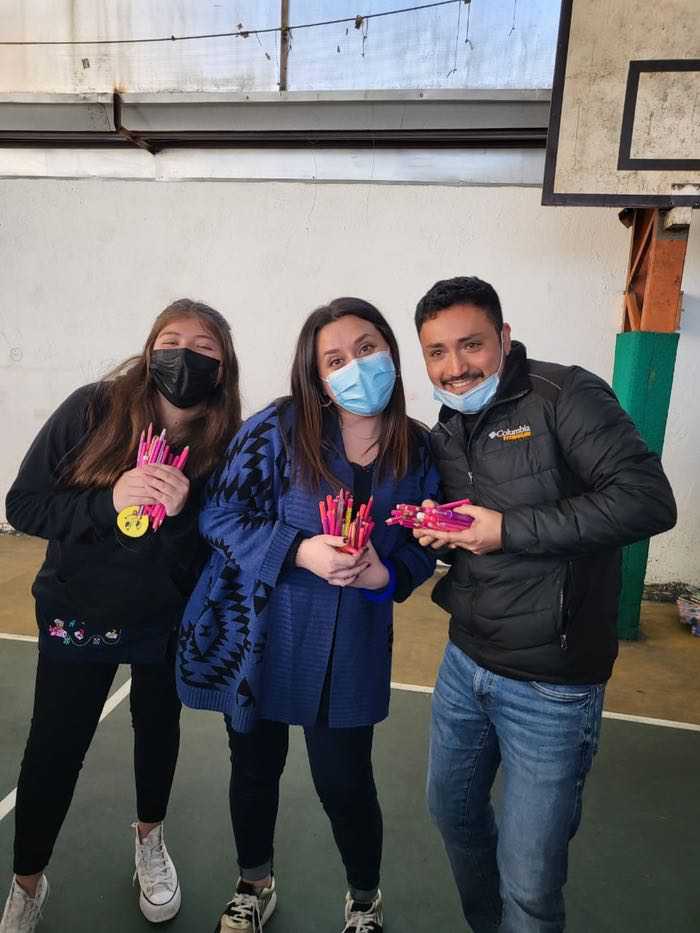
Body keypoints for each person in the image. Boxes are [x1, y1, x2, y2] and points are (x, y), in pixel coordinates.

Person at [412, 276, 677, 933]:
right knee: (453, 814)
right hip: (465, 662)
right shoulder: (447, 428)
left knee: (530, 884)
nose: (455, 367)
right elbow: (473, 530)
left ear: (503, 338)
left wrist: (504, 529)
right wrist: (442, 532)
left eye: (471, 344)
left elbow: (648, 500)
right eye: (437, 352)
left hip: (553, 684)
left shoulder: (566, 394)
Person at [178, 297, 440, 933]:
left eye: (367, 348)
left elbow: (425, 542)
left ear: (391, 352)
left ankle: (364, 899)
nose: (357, 366)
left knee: (345, 781)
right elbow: (218, 515)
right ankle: (254, 884)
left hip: (351, 643)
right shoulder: (276, 429)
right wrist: (298, 549)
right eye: (336, 359)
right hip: (265, 633)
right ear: (318, 377)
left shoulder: (420, 449)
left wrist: (388, 575)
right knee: (254, 769)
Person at [1, 299, 241, 933]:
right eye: (171, 340)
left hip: (167, 622)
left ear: (223, 367)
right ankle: (27, 882)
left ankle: (149, 841)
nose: (185, 355)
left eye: (205, 347)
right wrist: (108, 501)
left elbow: (220, 547)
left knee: (157, 734)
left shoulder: (225, 442)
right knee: (54, 751)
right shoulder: (93, 409)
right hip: (79, 614)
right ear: (150, 348)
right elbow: (24, 506)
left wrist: (184, 514)